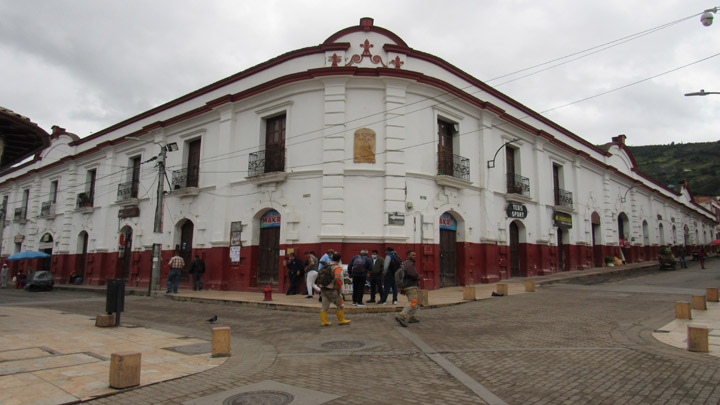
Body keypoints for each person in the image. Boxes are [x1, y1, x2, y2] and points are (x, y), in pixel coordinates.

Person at [319, 253, 351, 326]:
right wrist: (339, 288)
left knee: (324, 306)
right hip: (332, 290)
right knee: (340, 304)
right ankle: (341, 320)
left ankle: (323, 322)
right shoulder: (336, 267)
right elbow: (337, 278)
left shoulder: (326, 266)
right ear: (339, 259)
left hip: (324, 289)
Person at [395, 250, 420, 327]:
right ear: (408, 256)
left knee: (414, 302)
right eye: (413, 255)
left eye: (415, 255)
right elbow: (413, 274)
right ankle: (402, 315)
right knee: (412, 302)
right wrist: (418, 276)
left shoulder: (405, 263)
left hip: (407, 285)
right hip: (410, 286)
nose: (414, 256)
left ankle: (411, 317)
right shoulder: (409, 264)